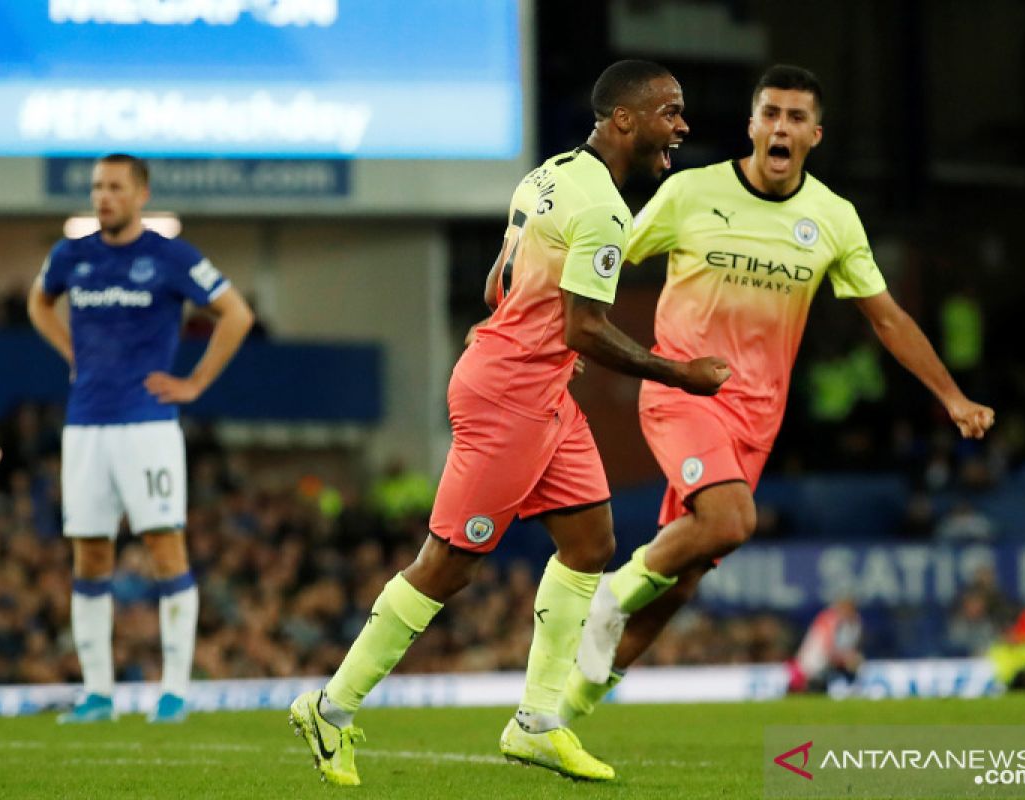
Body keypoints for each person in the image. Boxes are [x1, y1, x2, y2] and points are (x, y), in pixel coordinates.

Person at [287, 60, 729, 788]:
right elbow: (587, 328)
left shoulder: (548, 173)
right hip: (510, 398)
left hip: (538, 385)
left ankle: (536, 724)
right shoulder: (605, 212)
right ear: (624, 118)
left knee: (591, 544)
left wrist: (525, 331)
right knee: (449, 565)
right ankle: (329, 710)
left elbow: (504, 284)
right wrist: (681, 372)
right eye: (669, 112)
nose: (681, 127)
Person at [560, 64, 996, 720]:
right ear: (752, 125)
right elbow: (605, 259)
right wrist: (556, 331)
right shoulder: (690, 193)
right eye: (770, 114)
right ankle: (608, 598)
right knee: (733, 520)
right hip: (682, 390)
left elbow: (887, 318)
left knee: (689, 572)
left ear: (814, 134)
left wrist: (952, 397)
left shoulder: (833, 218)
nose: (780, 127)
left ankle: (568, 706)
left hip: (756, 416)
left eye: (795, 118)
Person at [27, 153, 255, 723]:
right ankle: (98, 695)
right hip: (85, 424)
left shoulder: (169, 256)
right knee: (90, 553)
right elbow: (38, 302)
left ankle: (174, 691)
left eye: (115, 187)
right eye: (97, 187)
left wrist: (196, 382)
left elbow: (236, 314)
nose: (103, 196)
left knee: (163, 547)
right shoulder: (70, 256)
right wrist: (71, 352)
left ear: (141, 195)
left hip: (147, 425)